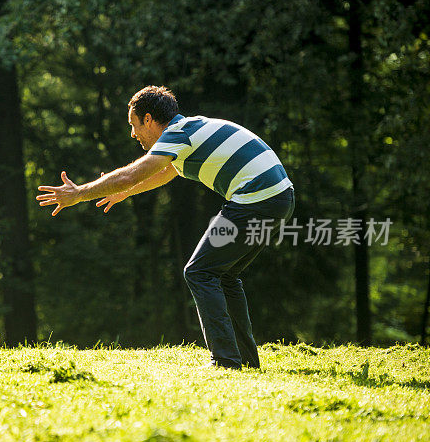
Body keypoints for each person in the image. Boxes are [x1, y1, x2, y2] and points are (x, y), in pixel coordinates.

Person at [37, 85, 294, 369]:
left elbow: (134, 173)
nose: (133, 134)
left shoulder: (176, 134)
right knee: (224, 276)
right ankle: (244, 359)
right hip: (280, 196)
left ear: (148, 119)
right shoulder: (188, 130)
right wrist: (128, 192)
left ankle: (225, 360)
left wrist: (79, 193)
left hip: (257, 197)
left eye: (134, 125)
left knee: (199, 271)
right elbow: (166, 171)